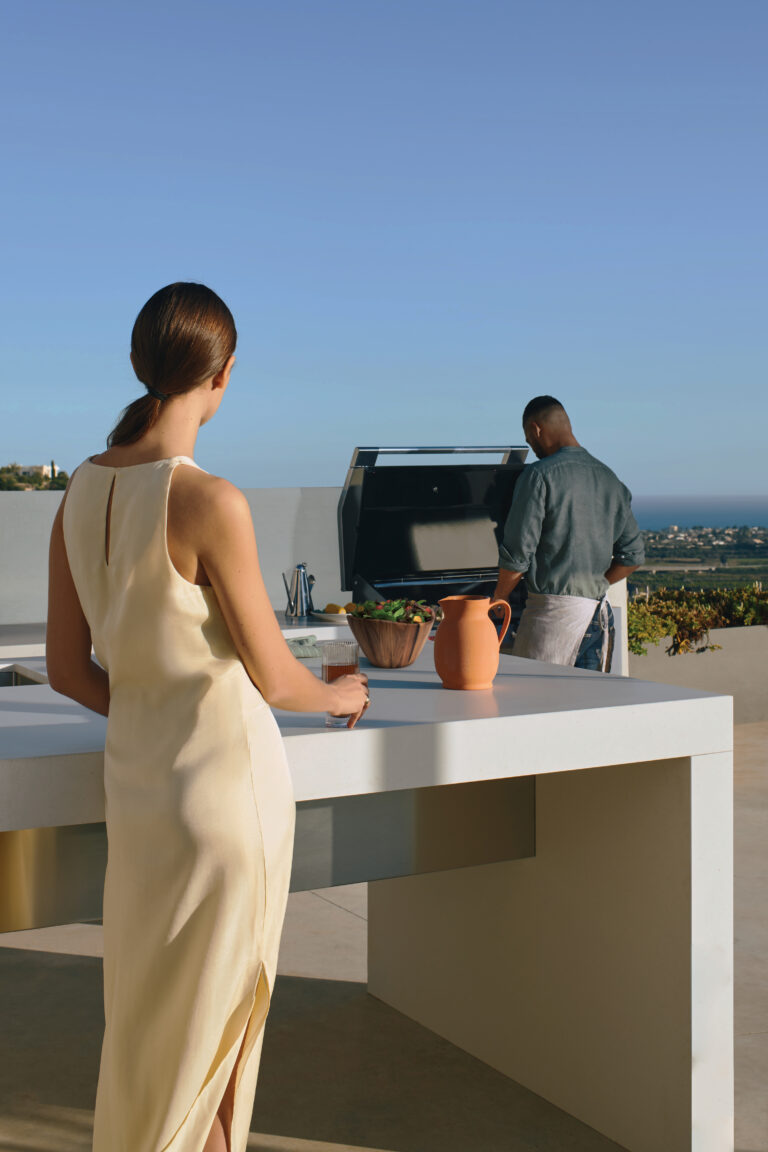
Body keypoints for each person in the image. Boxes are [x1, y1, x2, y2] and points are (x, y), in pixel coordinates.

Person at [46, 283, 369, 1152]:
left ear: (137, 364)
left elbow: (68, 669)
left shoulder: (77, 491)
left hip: (144, 798)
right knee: (222, 1036)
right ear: (225, 377)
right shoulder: (211, 500)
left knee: (152, 1032)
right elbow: (274, 675)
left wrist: (154, 711)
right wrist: (340, 694)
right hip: (229, 795)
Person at [491, 395, 644, 671]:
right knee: (588, 709)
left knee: (537, 706)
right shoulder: (610, 478)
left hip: (554, 620)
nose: (533, 448)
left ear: (536, 429)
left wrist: (498, 601)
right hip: (598, 617)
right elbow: (632, 557)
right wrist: (592, 586)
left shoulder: (539, 475)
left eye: (529, 439)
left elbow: (517, 555)